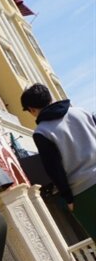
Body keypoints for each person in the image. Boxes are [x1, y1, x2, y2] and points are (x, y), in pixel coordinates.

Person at [21, 83, 96, 239]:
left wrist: (67, 197)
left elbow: (54, 168)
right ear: (50, 98)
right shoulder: (81, 112)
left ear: (32, 109)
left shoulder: (42, 132)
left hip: (83, 192)